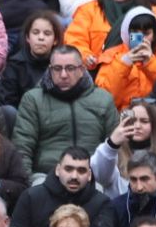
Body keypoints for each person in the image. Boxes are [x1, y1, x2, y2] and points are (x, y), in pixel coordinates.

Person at [12, 44, 117, 177]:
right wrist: (27, 183)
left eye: (70, 68)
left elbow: (116, 146)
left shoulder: (103, 99)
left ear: (82, 69)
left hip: (93, 175)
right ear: (50, 70)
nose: (63, 75)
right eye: (57, 69)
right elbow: (22, 147)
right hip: (47, 177)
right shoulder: (33, 99)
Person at [13, 146, 112, 227]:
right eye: (68, 169)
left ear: (89, 175)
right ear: (58, 170)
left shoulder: (102, 203)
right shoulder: (31, 197)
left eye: (81, 171)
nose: (74, 176)